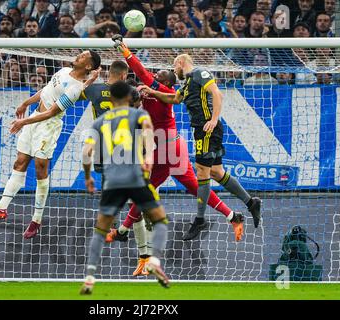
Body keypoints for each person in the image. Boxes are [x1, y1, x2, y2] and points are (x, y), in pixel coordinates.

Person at [109, 36, 246, 275]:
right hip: (165, 149)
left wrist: (126, 51)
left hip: (169, 150)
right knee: (170, 188)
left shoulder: (161, 90)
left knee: (165, 189)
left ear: (167, 82)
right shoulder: (154, 93)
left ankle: (123, 231)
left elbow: (142, 74)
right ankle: (232, 215)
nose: (157, 75)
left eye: (161, 74)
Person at [0, 50, 101, 240]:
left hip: (48, 127)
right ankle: (1, 208)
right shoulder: (63, 71)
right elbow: (46, 91)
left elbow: (52, 113)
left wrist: (22, 122)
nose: (78, 56)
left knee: (40, 169)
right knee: (20, 162)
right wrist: (26, 103)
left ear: (88, 66)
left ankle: (36, 220)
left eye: (83, 56)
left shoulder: (75, 88)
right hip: (34, 116)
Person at [139, 53, 262, 240]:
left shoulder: (199, 73)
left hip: (206, 128)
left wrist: (213, 120)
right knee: (216, 172)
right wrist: (152, 92)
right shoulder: (187, 83)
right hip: (203, 129)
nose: (174, 71)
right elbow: (174, 99)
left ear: (181, 62)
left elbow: (217, 94)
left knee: (202, 173)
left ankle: (199, 220)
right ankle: (251, 202)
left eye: (174, 67)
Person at [80, 80, 170, 295]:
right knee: (160, 221)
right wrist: (148, 157)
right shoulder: (140, 116)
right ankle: (154, 261)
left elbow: (86, 152)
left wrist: (87, 177)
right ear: (131, 99)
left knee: (100, 230)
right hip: (137, 177)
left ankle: (90, 277)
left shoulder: (101, 120)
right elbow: (149, 138)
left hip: (112, 181)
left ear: (111, 99)